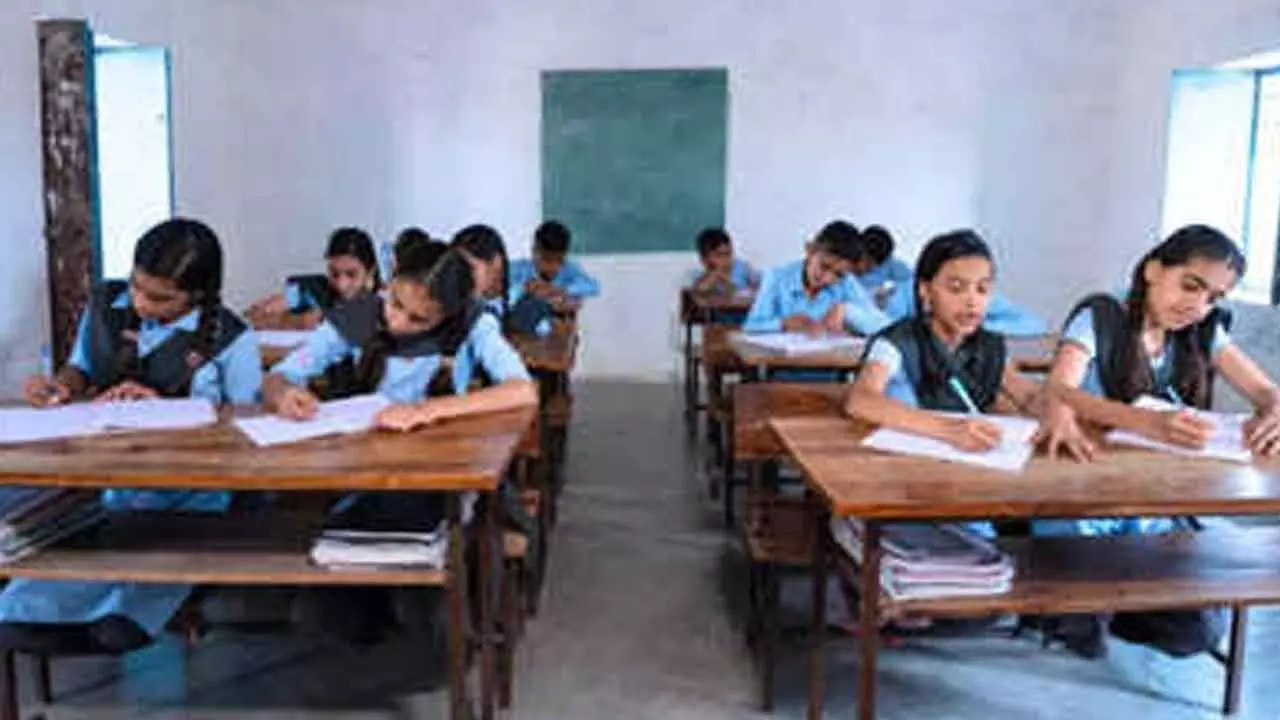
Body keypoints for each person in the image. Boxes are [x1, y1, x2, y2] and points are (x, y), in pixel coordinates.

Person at [10, 218, 262, 654]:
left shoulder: (231, 339)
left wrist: (165, 411)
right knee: (22, 615)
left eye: (161, 298)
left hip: (191, 499)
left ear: (197, 295)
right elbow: (81, 367)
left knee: (119, 622)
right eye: (137, 287)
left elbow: (248, 427)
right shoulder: (107, 306)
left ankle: (153, 611)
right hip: (111, 490)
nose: (142, 303)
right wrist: (61, 386)